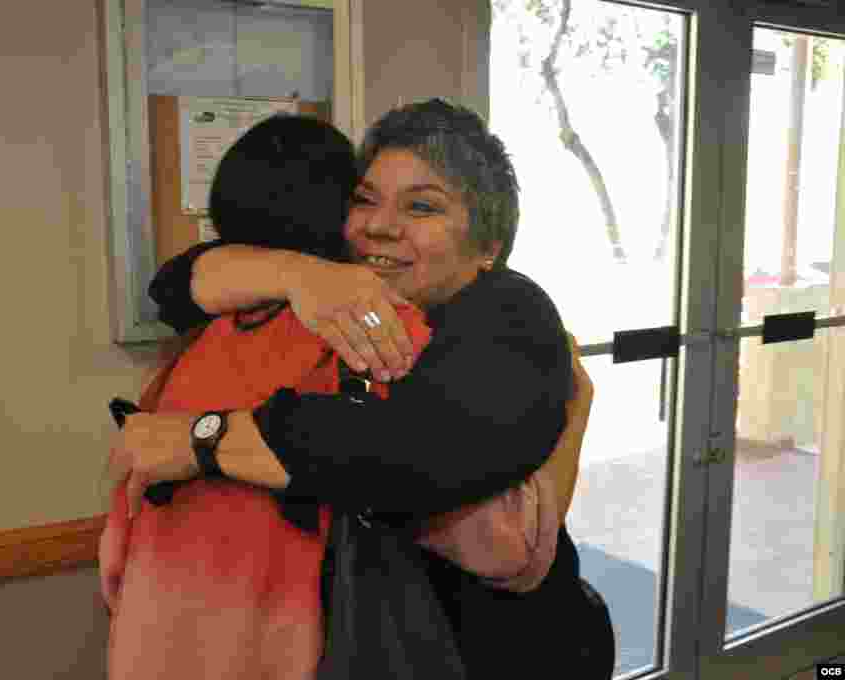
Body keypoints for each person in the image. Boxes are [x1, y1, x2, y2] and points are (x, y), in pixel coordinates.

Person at [109, 99, 615, 678]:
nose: (378, 225)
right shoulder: (337, 299)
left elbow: (412, 451)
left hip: (494, 650)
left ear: (488, 246)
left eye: (422, 206)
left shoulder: (511, 312)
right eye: (364, 200)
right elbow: (175, 285)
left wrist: (203, 441)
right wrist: (297, 274)